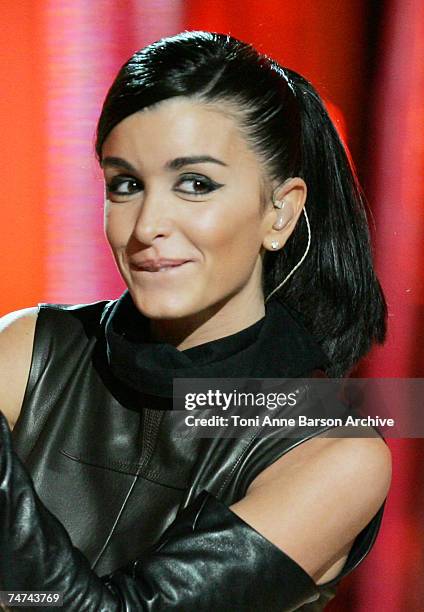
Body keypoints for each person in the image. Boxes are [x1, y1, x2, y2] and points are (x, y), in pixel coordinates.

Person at [0, 31, 391, 611]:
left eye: (195, 184)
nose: (148, 224)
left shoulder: (332, 453)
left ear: (279, 213)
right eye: (126, 184)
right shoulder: (30, 348)